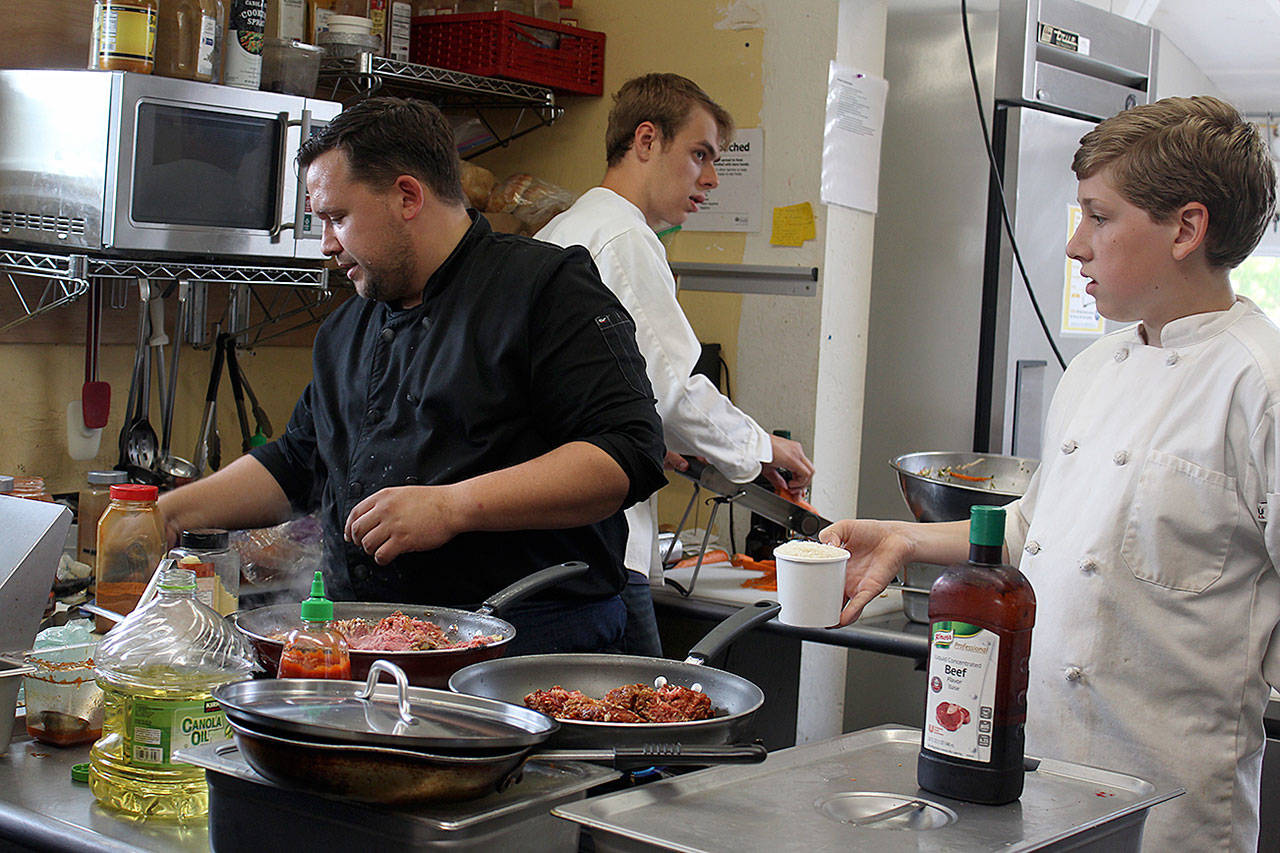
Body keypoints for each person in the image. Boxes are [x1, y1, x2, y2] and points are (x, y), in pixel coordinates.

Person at [822, 95, 1278, 851]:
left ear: (1186, 229)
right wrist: (904, 537)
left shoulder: (1259, 384)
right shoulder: (1095, 367)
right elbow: (1036, 530)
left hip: (1175, 812)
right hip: (1042, 787)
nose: (1075, 246)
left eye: (1099, 217)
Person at [159, 97, 667, 654]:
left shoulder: (545, 287)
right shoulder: (345, 330)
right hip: (372, 646)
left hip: (526, 651)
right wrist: (166, 512)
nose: (327, 244)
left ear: (407, 196)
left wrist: (451, 506)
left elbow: (624, 453)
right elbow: (300, 461)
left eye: (338, 218)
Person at [537, 73, 815, 656]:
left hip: (555, 538)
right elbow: (669, 389)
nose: (711, 179)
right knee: (649, 729)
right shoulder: (623, 240)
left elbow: (598, 391)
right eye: (699, 155)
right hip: (603, 542)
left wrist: (649, 437)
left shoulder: (563, 229)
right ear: (645, 140)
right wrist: (763, 447)